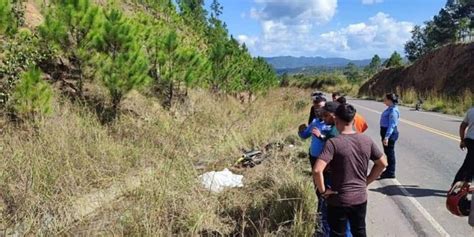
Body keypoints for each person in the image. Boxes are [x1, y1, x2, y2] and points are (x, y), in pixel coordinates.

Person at [313, 103, 388, 237]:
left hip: (338, 199)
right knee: (359, 231)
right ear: (353, 120)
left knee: (337, 233)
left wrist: (323, 191)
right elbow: (382, 163)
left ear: (336, 120)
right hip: (359, 198)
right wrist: (366, 181)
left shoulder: (333, 143)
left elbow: (317, 170)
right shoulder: (366, 140)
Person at [379, 93, 400, 179]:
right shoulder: (389, 108)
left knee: (390, 153)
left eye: (385, 99)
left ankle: (391, 172)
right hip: (385, 132)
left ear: (390, 100)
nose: (384, 100)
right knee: (388, 152)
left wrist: (387, 137)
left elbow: (392, 125)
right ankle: (389, 170)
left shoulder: (393, 111)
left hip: (389, 134)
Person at [452, 106, 474, 185]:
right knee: (469, 164)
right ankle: (461, 184)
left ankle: (463, 183)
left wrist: (462, 140)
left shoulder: (471, 111)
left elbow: (462, 126)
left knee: (469, 163)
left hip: (469, 140)